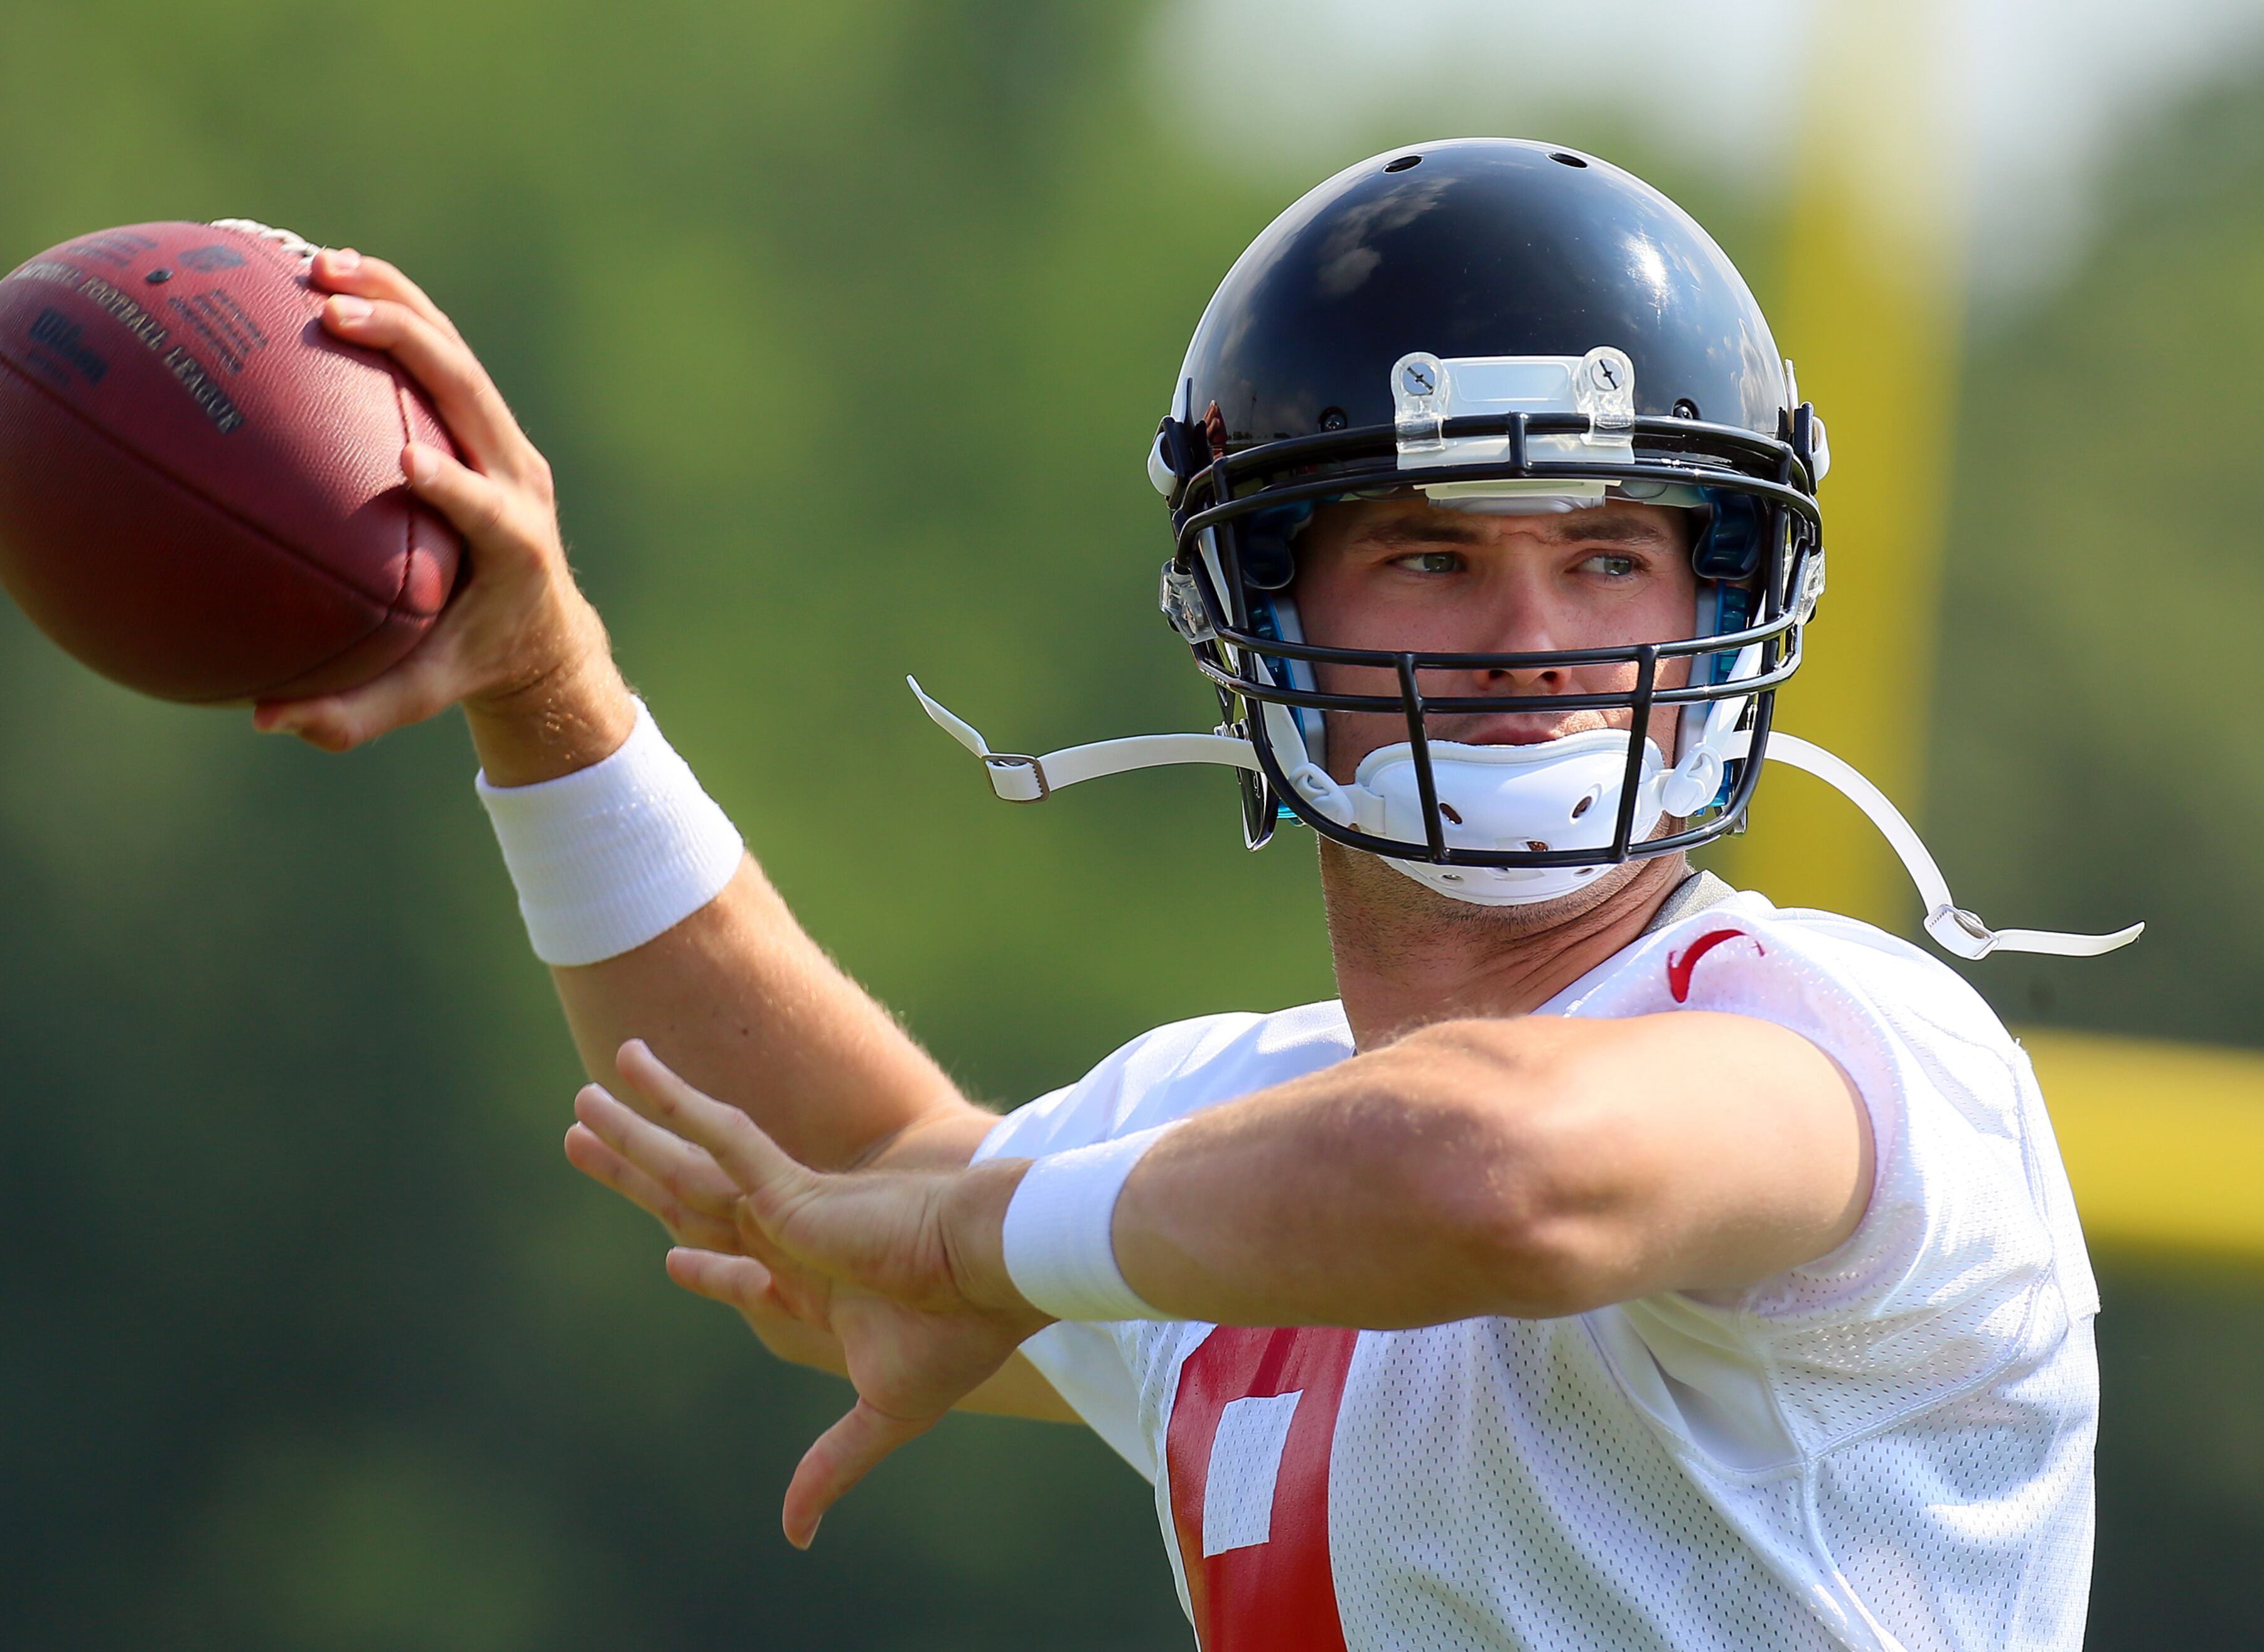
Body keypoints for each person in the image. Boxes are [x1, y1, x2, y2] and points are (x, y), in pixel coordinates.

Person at [262, 139, 2138, 1652]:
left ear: (1724, 600)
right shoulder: (1227, 1151)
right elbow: (848, 1171)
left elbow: (1502, 1177)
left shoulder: (1860, 1044)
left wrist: (968, 1246)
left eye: (1608, 551)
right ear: (1259, 611)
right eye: (1423, 554)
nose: (1531, 637)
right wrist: (545, 686)